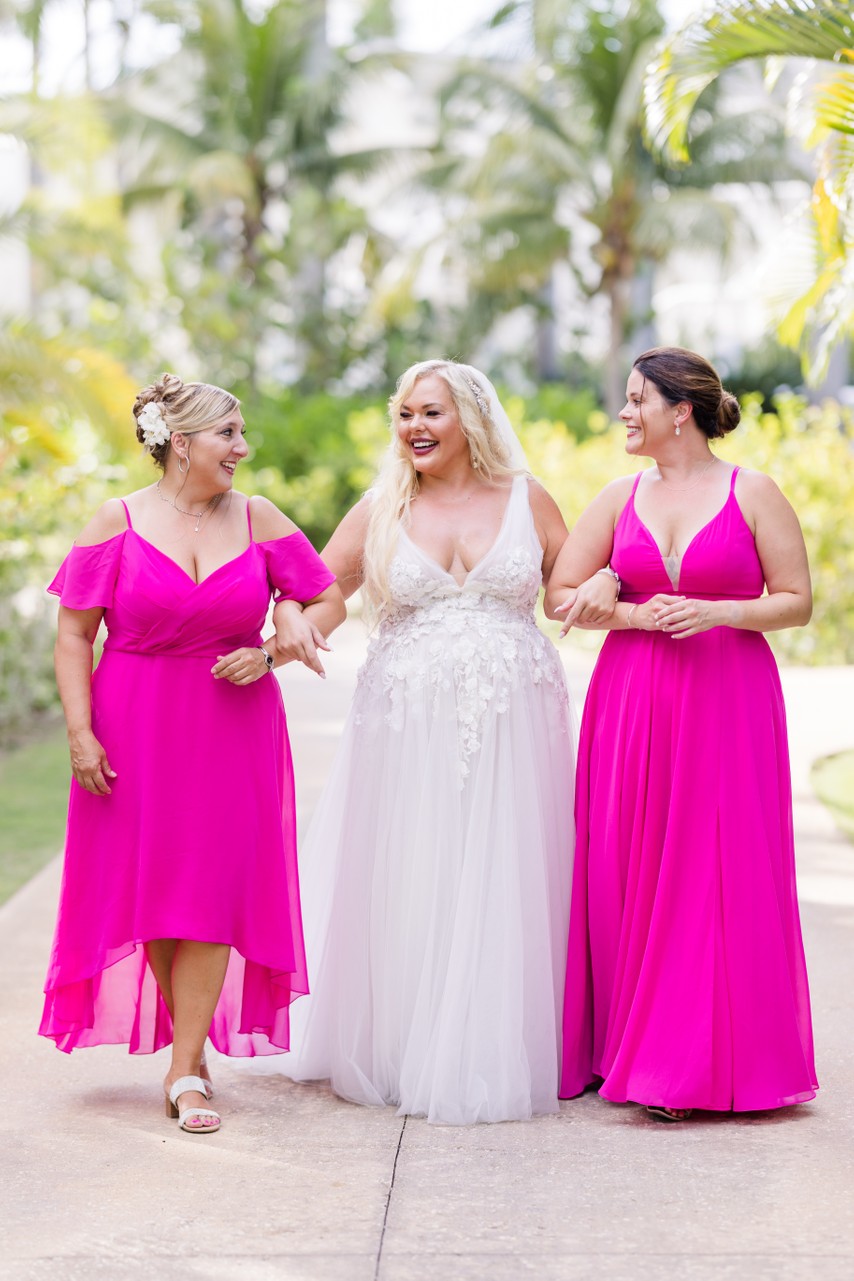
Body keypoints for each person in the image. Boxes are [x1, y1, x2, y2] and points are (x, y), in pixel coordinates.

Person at [270, 359, 618, 1124]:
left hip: (515, 717)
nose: (414, 427)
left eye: (431, 412)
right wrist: (287, 630)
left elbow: (569, 587)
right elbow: (324, 594)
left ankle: (508, 1039)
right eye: (403, 414)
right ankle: (405, 1041)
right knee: (417, 863)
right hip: (405, 720)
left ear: (471, 419)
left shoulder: (529, 500)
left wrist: (611, 584)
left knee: (507, 865)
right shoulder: (380, 507)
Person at [42, 373, 345, 1134]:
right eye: (229, 436)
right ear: (182, 444)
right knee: (154, 897)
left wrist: (278, 641)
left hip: (231, 726)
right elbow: (75, 634)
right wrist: (81, 731)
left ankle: (183, 1070)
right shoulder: (113, 522)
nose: (243, 449)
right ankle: (191, 1055)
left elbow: (324, 596)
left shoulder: (260, 517)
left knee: (211, 891)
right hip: (133, 727)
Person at [545, 346, 818, 1121]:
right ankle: (626, 1046)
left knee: (713, 867)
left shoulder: (752, 491)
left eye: (638, 400)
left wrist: (717, 611)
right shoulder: (617, 495)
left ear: (681, 409)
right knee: (629, 863)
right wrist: (623, 603)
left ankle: (686, 1061)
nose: (625, 413)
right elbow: (559, 593)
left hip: (727, 696)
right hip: (632, 695)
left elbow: (797, 600)